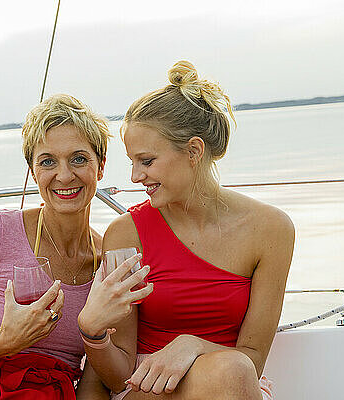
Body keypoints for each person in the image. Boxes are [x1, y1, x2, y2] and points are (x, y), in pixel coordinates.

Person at [78, 61, 295, 400]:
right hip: (146, 387)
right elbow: (120, 379)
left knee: (233, 371)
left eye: (146, 161)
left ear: (193, 151)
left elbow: (253, 358)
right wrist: (93, 334)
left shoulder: (271, 230)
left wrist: (191, 346)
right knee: (232, 373)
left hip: (234, 383)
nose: (135, 177)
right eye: (132, 162)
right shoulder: (126, 234)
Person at [0, 94, 117, 399]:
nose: (64, 175)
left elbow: (99, 378)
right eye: (48, 161)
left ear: (101, 166)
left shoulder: (107, 262)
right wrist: (4, 343)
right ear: (32, 170)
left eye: (79, 158)